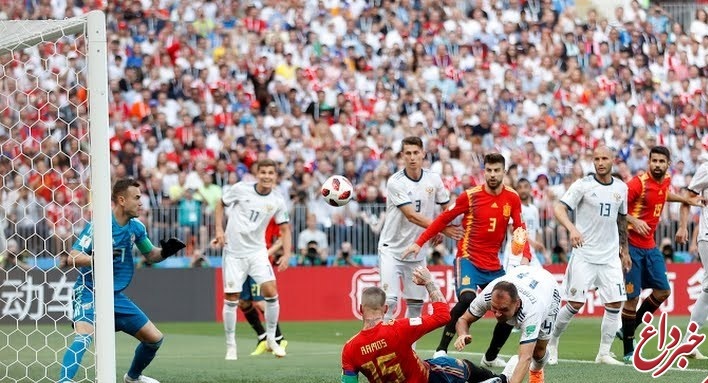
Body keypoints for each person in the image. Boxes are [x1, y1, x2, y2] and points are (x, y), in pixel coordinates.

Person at [404, 153, 532, 368]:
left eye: (496, 170)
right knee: (466, 299)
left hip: (494, 264)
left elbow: (520, 228)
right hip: (468, 259)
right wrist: (419, 242)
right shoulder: (470, 196)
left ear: (503, 171)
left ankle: (490, 356)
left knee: (510, 306)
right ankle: (441, 349)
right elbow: (443, 219)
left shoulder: (512, 198)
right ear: (484, 172)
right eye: (489, 170)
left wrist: (525, 255)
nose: (492, 175)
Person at [58, 178, 186, 383]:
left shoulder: (136, 228)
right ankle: (63, 381)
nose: (141, 202)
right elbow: (73, 257)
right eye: (136, 198)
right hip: (89, 289)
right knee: (83, 336)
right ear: (121, 200)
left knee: (154, 339)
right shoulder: (99, 225)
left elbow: (151, 256)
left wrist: (166, 252)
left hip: (114, 295)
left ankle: (133, 377)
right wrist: (99, 257)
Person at [341, 266, 516, 383]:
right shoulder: (398, 328)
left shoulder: (349, 349)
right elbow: (442, 316)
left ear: (360, 309)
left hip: (421, 370)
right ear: (386, 308)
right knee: (464, 366)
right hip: (429, 377)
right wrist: (429, 282)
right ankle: (501, 379)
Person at [617, 146, 702, 362]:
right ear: (649, 162)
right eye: (654, 161)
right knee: (633, 297)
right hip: (633, 247)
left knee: (663, 291)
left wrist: (685, 200)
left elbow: (663, 194)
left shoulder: (664, 181)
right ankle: (628, 349)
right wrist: (634, 221)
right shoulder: (638, 183)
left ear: (668, 164)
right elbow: (616, 206)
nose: (657, 165)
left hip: (650, 247)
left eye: (661, 162)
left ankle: (628, 327)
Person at [548, 145, 631, 366]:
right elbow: (559, 208)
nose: (600, 162)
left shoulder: (621, 188)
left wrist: (625, 250)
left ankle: (603, 353)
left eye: (604, 158)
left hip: (610, 256)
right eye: (596, 158)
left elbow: (622, 219)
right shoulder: (583, 185)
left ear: (613, 160)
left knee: (615, 303)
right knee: (575, 303)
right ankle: (551, 341)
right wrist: (572, 229)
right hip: (585, 254)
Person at [212, 158, 292, 360]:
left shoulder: (277, 200)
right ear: (258, 174)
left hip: (257, 252)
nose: (266, 176)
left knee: (271, 292)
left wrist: (287, 254)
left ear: (275, 176)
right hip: (234, 252)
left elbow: (285, 229)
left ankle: (272, 339)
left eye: (270, 173)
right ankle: (231, 346)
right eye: (263, 172)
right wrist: (219, 230)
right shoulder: (241, 189)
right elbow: (219, 204)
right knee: (233, 298)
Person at [378, 136, 461, 324]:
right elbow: (411, 215)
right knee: (389, 303)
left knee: (415, 305)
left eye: (416, 152)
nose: (412, 157)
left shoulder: (434, 179)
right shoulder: (395, 182)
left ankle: (409, 352)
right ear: (402, 156)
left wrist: (442, 225)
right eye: (408, 153)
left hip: (418, 250)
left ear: (423, 153)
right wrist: (442, 228)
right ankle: (384, 348)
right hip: (392, 249)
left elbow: (446, 207)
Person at [455, 265, 561, 383]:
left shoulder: (532, 311)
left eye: (504, 309)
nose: (498, 314)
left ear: (517, 303)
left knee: (538, 351)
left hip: (547, 288)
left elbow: (525, 357)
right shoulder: (488, 295)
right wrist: (462, 334)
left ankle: (536, 372)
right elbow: (463, 319)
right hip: (523, 273)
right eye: (494, 308)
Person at [240, 218, 287, 356]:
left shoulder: (269, 214)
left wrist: (267, 253)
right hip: (242, 260)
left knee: (261, 302)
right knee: (242, 302)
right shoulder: (242, 211)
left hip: (259, 263)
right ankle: (262, 337)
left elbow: (283, 236)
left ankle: (279, 339)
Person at [683, 159, 708, 359]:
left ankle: (688, 342)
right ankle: (688, 341)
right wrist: (683, 227)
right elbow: (688, 196)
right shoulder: (706, 168)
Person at [503, 178, 546, 269]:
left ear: (530, 189)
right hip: (515, 253)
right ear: (516, 190)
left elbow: (537, 230)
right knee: (511, 282)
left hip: (531, 253)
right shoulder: (513, 207)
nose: (523, 190)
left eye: (525, 187)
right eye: (520, 187)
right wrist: (533, 243)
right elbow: (513, 230)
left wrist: (543, 251)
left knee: (541, 278)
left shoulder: (534, 209)